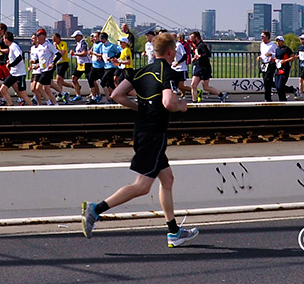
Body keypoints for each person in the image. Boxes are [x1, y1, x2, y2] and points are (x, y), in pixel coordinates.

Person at [80, 32, 198, 248]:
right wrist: (181, 105)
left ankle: (173, 232)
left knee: (167, 179)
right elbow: (169, 103)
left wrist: (140, 107)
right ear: (171, 51)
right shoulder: (168, 73)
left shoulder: (141, 71)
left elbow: (117, 95)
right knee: (143, 186)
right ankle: (96, 210)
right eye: (174, 51)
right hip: (154, 134)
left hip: (142, 130)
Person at [188, 31, 226, 102]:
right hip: (198, 67)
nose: (190, 40)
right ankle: (194, 101)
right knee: (193, 84)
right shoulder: (196, 46)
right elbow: (197, 56)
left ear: (196, 38)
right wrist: (194, 58)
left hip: (204, 68)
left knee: (205, 87)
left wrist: (200, 56)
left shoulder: (202, 45)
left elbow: (208, 54)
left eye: (192, 38)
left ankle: (221, 95)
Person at [0, 30, 32, 106]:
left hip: (20, 74)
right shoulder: (11, 47)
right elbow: (14, 58)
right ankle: (11, 105)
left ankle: (32, 107)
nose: (3, 40)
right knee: (2, 89)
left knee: (22, 94)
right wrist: (9, 62)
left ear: (7, 39)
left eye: (4, 39)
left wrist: (10, 65)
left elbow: (19, 57)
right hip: (13, 73)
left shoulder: (14, 46)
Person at [29, 29, 58, 106]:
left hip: (48, 70)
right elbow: (41, 60)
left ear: (44, 36)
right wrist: (35, 64)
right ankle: (55, 104)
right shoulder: (39, 47)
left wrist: (53, 63)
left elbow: (58, 54)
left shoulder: (48, 45)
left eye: (39, 35)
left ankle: (49, 103)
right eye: (37, 36)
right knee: (47, 89)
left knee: (38, 87)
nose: (37, 37)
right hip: (42, 69)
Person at [69, 30, 90, 100]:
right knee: (74, 78)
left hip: (86, 63)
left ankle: (95, 94)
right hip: (80, 64)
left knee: (91, 80)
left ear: (80, 36)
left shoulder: (83, 43)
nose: (75, 38)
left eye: (76, 36)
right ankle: (78, 95)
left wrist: (75, 53)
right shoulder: (78, 44)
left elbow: (84, 53)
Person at [274, 36, 295, 101]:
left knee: (280, 85)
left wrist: (285, 61)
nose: (278, 43)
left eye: (279, 41)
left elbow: (293, 57)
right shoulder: (277, 50)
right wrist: (273, 59)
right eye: (277, 41)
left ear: (282, 42)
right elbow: (277, 58)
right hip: (278, 69)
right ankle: (282, 99)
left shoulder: (286, 49)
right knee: (277, 86)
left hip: (284, 69)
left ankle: (292, 90)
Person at [258, 30, 277, 101]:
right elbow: (262, 54)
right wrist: (260, 57)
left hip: (271, 64)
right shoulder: (261, 44)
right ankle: (287, 88)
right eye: (261, 36)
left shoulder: (272, 45)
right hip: (264, 64)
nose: (261, 38)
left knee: (267, 80)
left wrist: (271, 55)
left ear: (267, 37)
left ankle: (267, 98)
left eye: (263, 36)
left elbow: (277, 54)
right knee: (266, 81)